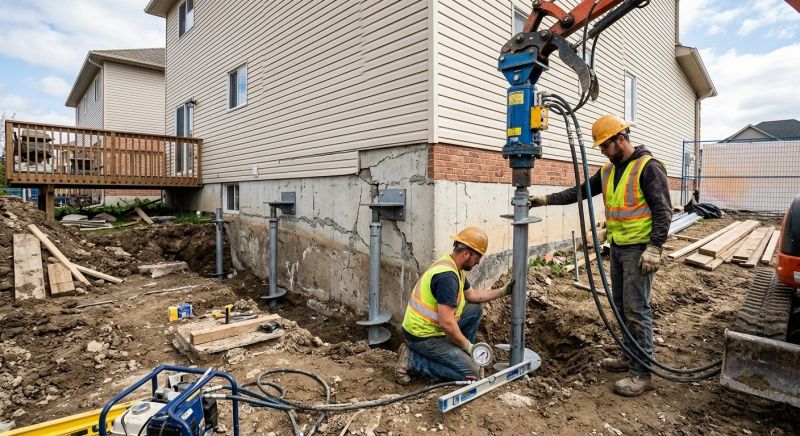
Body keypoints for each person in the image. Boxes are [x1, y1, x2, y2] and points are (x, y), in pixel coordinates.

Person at [529, 114, 672, 397]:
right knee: (620, 305)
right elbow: (580, 192)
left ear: (621, 139)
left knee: (636, 309)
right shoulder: (608, 171)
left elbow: (663, 210)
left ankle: (642, 372)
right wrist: (547, 199)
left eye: (605, 146)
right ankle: (628, 356)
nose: (603, 151)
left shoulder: (648, 167)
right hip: (618, 247)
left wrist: (655, 247)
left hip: (639, 251)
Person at [394, 227, 514, 384]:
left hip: (431, 329)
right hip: (422, 337)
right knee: (473, 374)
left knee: (474, 310)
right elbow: (447, 323)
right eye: (477, 259)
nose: (477, 263)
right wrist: (469, 347)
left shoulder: (452, 266)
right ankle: (412, 360)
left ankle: (457, 355)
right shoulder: (447, 278)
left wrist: (503, 291)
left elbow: (472, 295)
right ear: (466, 254)